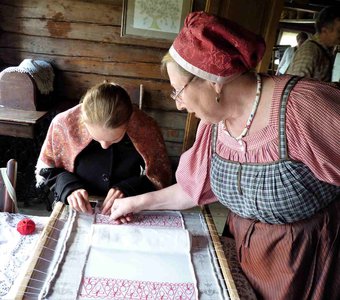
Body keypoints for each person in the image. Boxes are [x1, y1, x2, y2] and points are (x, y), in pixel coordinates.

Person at [108, 11, 340, 300]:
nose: (178, 104)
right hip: (239, 252)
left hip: (303, 267)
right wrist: (137, 202)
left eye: (178, 91)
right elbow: (193, 189)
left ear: (213, 80)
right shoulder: (214, 125)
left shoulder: (303, 108)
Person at [36, 82, 172, 214]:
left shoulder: (145, 128)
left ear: (129, 123)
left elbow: (159, 177)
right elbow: (47, 170)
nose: (104, 146)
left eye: (114, 139)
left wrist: (128, 188)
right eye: (96, 138)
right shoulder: (64, 124)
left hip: (129, 205)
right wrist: (69, 188)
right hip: (77, 208)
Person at [287, 6, 340, 81]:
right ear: (324, 31)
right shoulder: (310, 51)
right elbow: (295, 87)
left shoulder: (323, 51)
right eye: (339, 31)